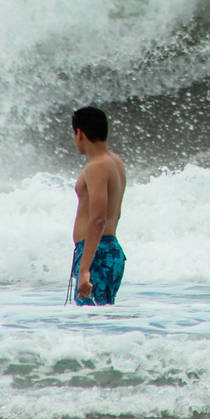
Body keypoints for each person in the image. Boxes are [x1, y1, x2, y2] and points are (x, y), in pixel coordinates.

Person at [67, 106, 128, 306]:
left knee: (88, 324)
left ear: (80, 133)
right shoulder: (115, 161)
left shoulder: (97, 166)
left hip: (96, 254)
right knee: (101, 320)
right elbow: (115, 214)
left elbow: (99, 218)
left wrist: (84, 269)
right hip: (109, 250)